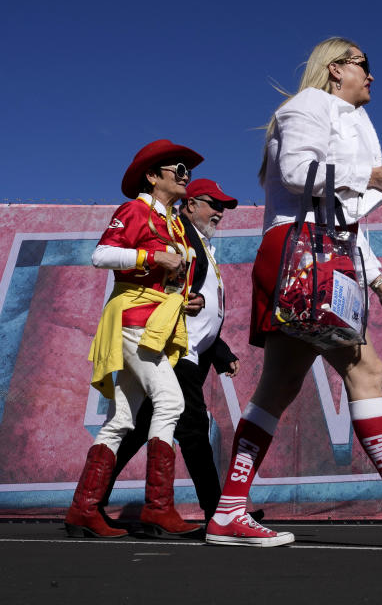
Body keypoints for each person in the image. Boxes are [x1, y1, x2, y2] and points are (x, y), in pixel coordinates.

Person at [205, 37, 382, 547]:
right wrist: (368, 175)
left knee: (278, 388)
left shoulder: (338, 116)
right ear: (336, 69)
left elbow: (345, 218)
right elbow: (295, 172)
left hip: (318, 252)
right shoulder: (308, 105)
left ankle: (227, 511)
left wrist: (376, 281)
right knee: (365, 369)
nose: (372, 76)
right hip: (303, 253)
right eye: (364, 66)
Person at [64, 139, 204, 538]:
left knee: (122, 420)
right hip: (133, 320)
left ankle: (83, 509)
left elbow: (169, 273)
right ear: (152, 175)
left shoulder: (172, 222)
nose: (184, 175)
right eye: (176, 168)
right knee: (172, 402)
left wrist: (184, 299)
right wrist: (150, 257)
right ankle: (158, 509)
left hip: (154, 320)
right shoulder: (136, 210)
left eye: (186, 170)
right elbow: (101, 255)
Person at [98, 178, 250, 525]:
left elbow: (198, 301)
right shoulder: (175, 231)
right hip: (176, 351)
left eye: (223, 207)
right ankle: (218, 512)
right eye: (214, 204)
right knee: (193, 429)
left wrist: (221, 350)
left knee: (137, 426)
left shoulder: (198, 240)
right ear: (191, 204)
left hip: (192, 349)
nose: (220, 213)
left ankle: (91, 501)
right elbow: (167, 286)